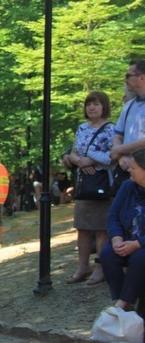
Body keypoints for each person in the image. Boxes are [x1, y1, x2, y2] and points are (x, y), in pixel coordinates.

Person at [66, 92, 115, 285]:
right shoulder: (82, 128)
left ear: (104, 106)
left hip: (102, 182)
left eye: (96, 104)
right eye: (89, 104)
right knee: (82, 227)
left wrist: (92, 159)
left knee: (101, 228)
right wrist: (79, 161)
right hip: (83, 184)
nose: (92, 108)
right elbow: (73, 152)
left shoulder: (111, 129)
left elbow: (113, 155)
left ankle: (100, 268)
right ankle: (82, 267)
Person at [100, 147, 145, 312]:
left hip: (141, 244)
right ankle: (123, 300)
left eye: (133, 168)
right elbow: (113, 215)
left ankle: (123, 304)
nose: (128, 170)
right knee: (108, 254)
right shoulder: (127, 186)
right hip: (127, 238)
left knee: (140, 259)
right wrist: (116, 238)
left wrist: (137, 244)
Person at [111, 61, 145, 183]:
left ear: (141, 77)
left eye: (128, 76)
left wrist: (119, 150)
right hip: (126, 168)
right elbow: (118, 134)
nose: (125, 80)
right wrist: (121, 157)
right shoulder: (129, 105)